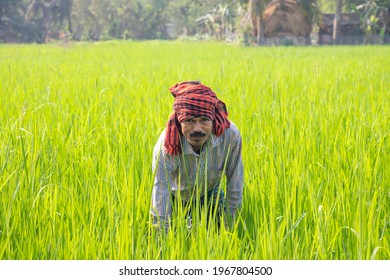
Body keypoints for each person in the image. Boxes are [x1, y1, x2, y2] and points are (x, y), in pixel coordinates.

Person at [150, 81, 243, 231]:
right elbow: (160, 192)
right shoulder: (168, 146)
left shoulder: (230, 137)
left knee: (215, 236)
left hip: (210, 194)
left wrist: (229, 230)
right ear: (180, 121)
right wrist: (163, 239)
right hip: (176, 198)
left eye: (204, 120)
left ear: (212, 118)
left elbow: (235, 185)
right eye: (190, 121)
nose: (197, 129)